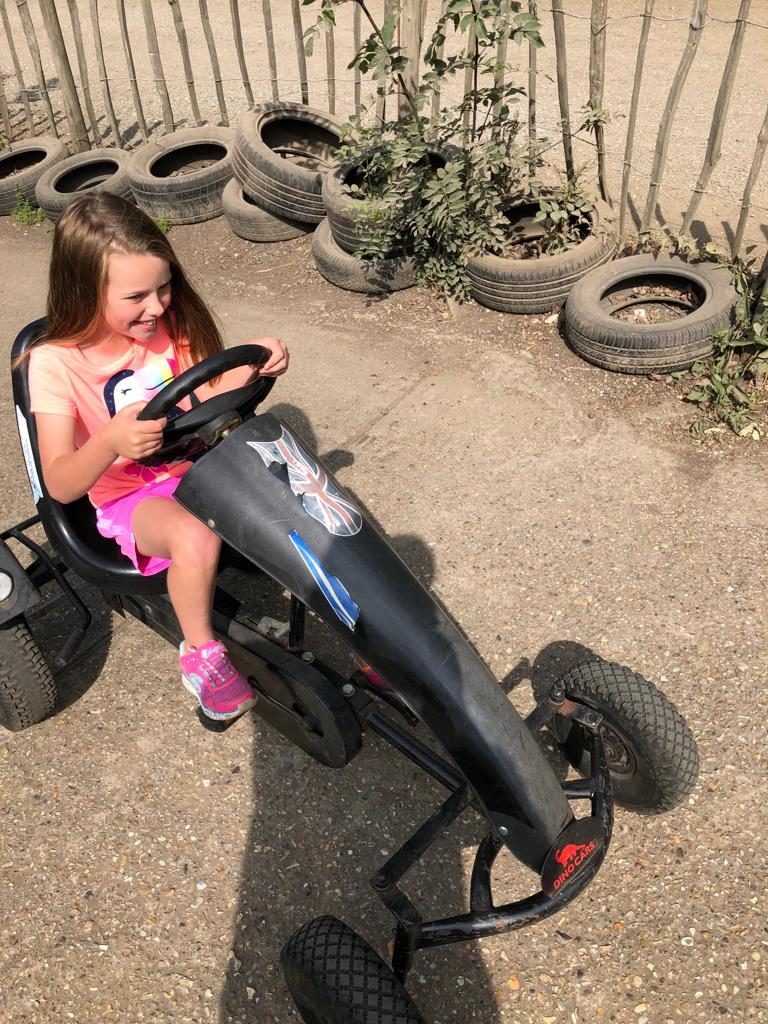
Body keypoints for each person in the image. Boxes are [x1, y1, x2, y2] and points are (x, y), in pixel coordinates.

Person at [26, 192, 289, 721]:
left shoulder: (169, 326)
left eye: (164, 287)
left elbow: (208, 396)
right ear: (84, 290)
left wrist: (254, 361)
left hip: (202, 463)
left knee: (299, 492)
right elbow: (59, 483)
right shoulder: (54, 365)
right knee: (194, 534)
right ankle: (200, 655)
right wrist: (108, 441)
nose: (157, 306)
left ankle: (367, 630)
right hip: (133, 496)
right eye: (136, 296)